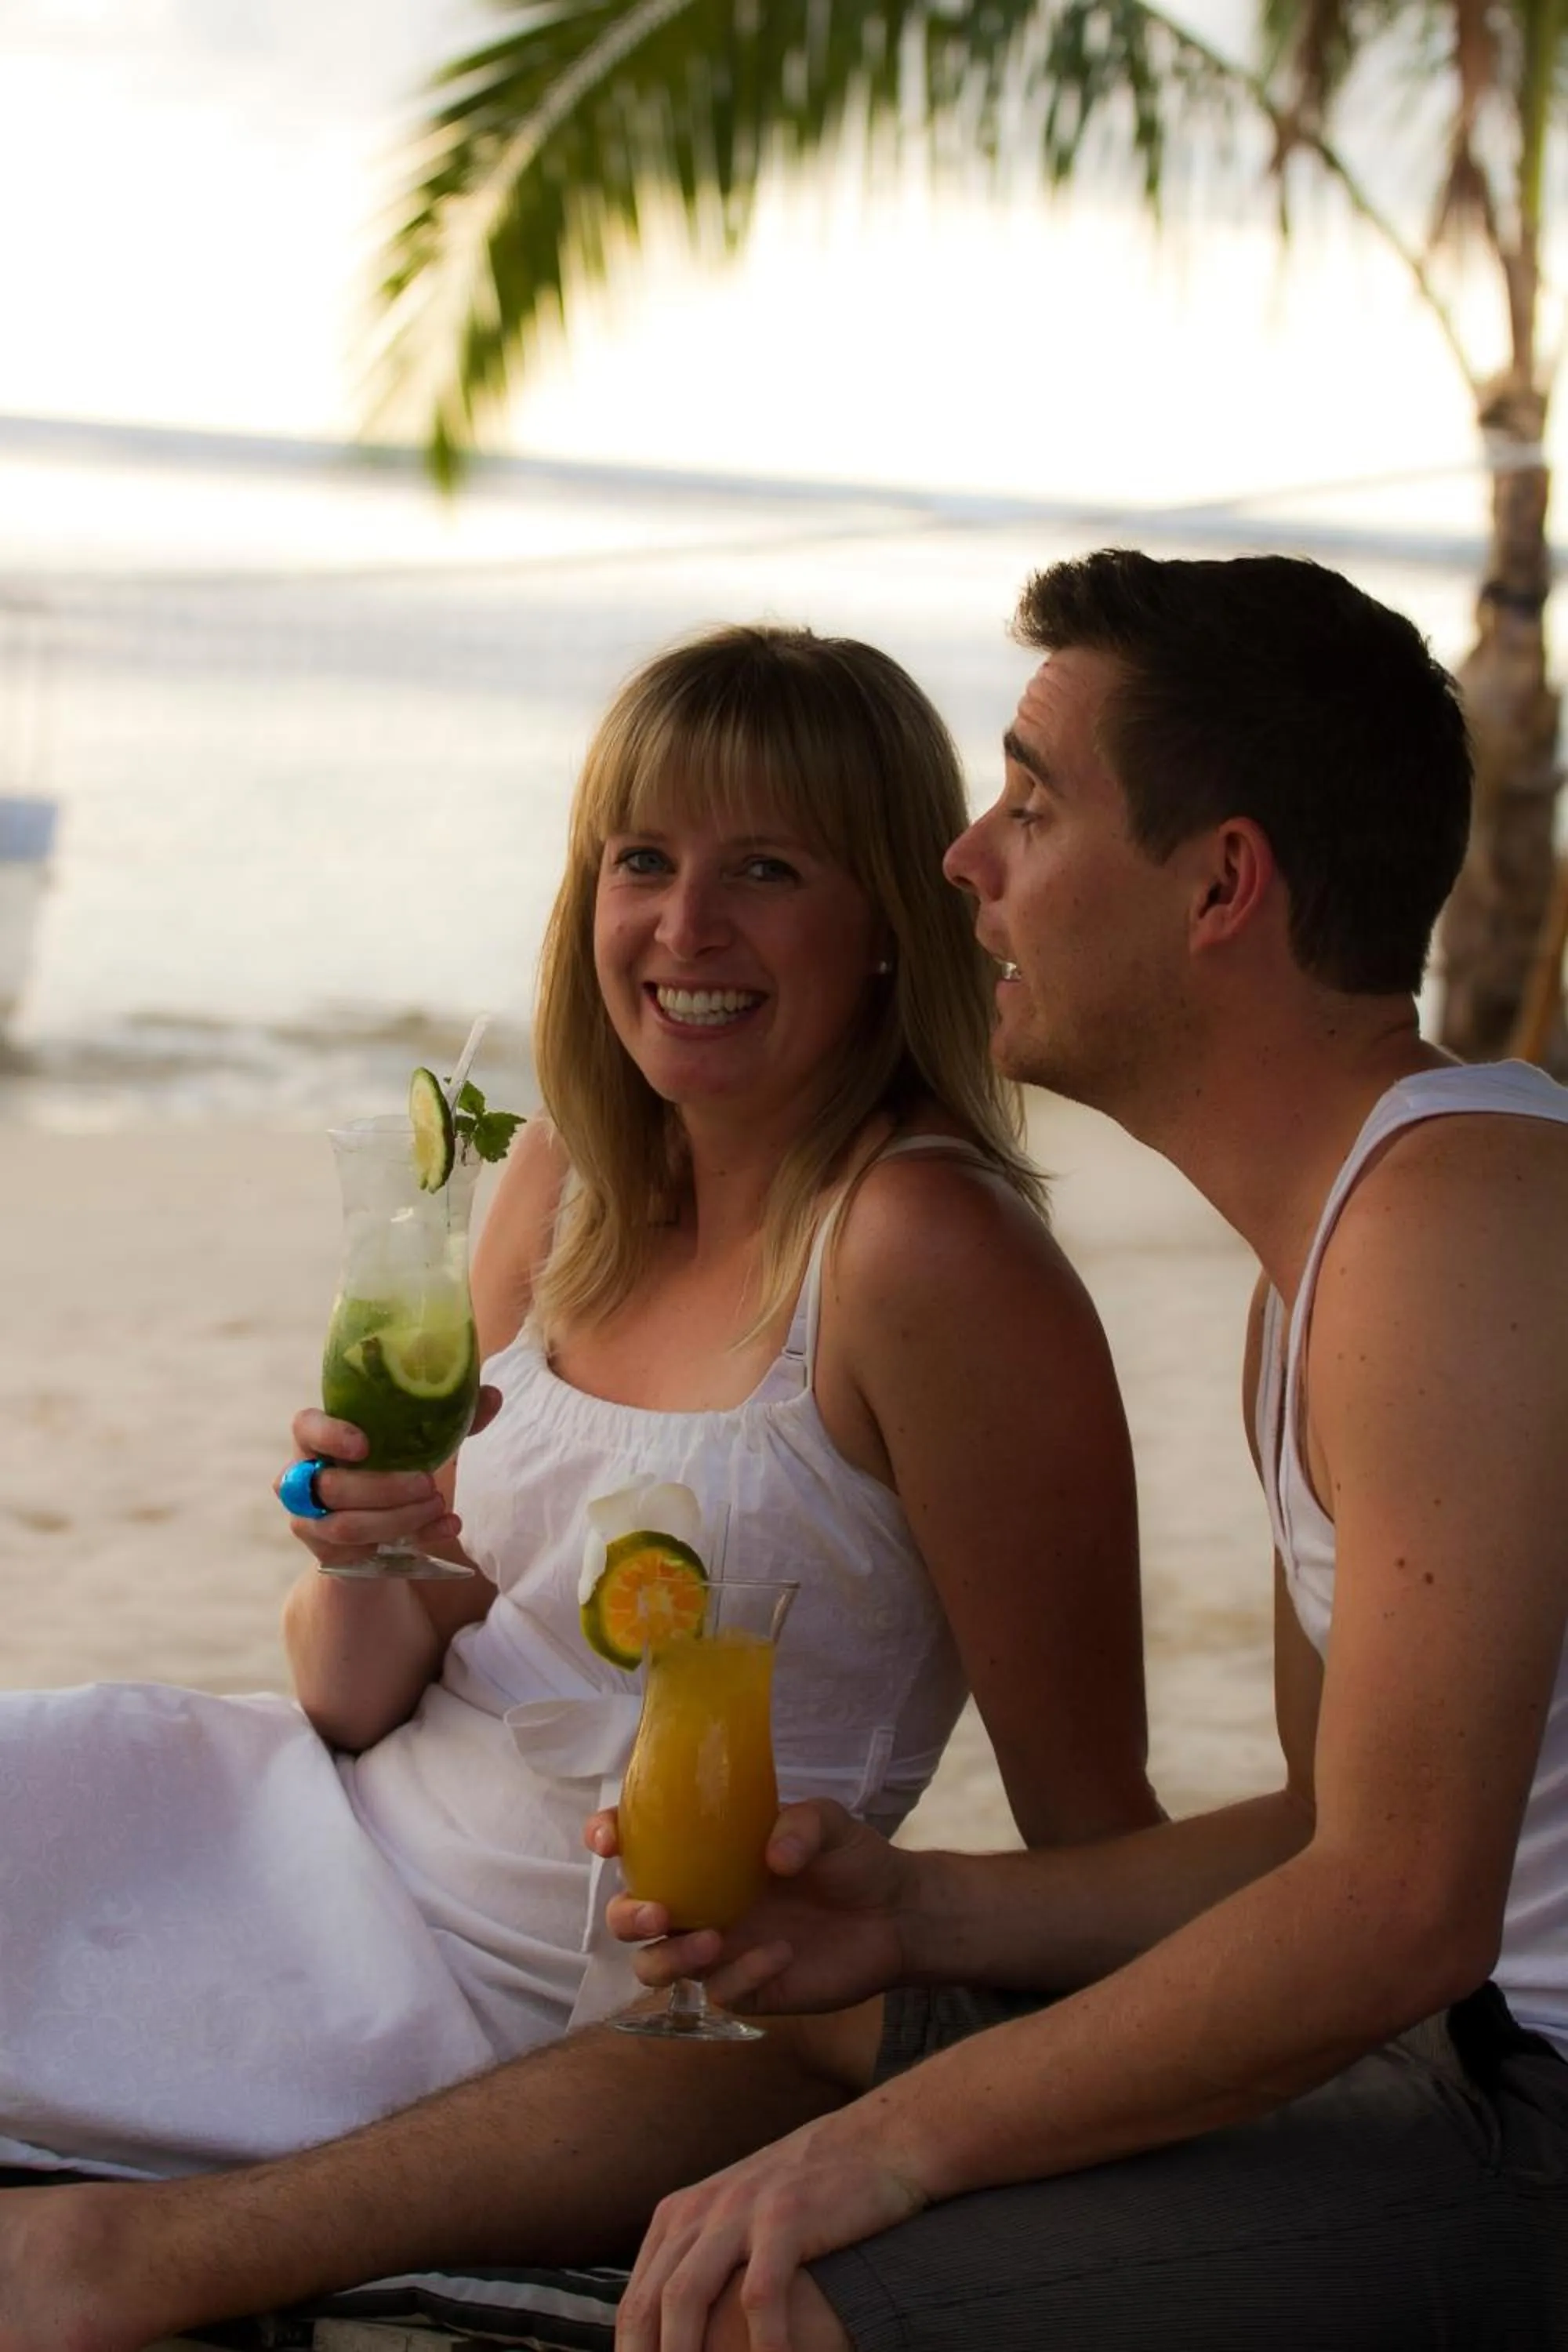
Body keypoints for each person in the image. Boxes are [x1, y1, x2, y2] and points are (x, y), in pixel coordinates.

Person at [6, 546, 1565, 2352]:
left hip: (1508, 2089)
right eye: (644, 861)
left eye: (1030, 808)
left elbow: (1390, 1904)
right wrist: (906, 1911)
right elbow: (1317, 1836)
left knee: (763, 2288)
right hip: (1426, 2041)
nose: (968, 861)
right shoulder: (1328, 1267)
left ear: (1221, 884)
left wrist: (886, 2140)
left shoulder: (1442, 1228)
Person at [0, 622, 1155, 2188]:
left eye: (765, 870)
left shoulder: (924, 1258)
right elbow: (355, 1706)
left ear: (888, 911)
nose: (684, 927)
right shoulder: (563, 1179)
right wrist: (366, 1551)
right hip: (308, 1842)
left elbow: (1095, 1837)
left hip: (555, 2011)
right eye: (640, 860)